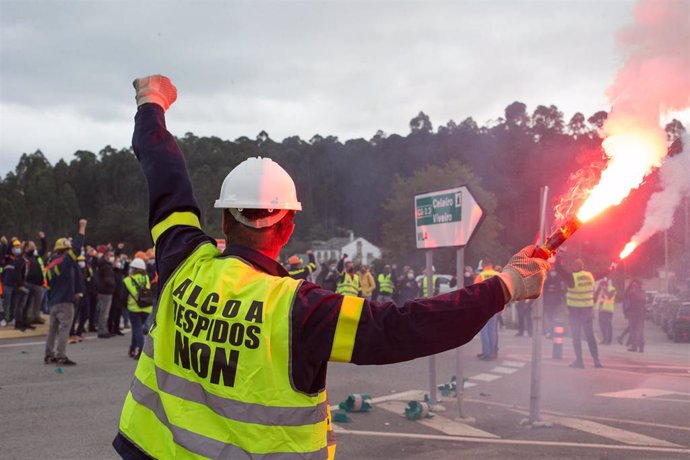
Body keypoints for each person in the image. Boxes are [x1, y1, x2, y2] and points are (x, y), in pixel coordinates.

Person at [112, 75, 549, 459]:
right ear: (288, 226)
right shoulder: (299, 310)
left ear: (224, 219)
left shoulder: (182, 259)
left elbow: (164, 174)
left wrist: (151, 104)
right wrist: (504, 286)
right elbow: (405, 327)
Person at [44, 219, 87, 366]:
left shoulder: (50, 264)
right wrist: (82, 228)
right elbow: (76, 249)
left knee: (52, 330)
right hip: (65, 301)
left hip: (54, 301)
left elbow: (48, 285)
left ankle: (49, 355)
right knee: (64, 330)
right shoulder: (65, 261)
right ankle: (61, 356)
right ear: (65, 250)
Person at [561, 258, 603, 368]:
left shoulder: (572, 278)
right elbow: (602, 274)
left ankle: (579, 361)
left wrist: (558, 257)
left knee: (576, 335)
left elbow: (560, 270)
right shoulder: (590, 276)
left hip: (575, 310)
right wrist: (612, 267)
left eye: (573, 266)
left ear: (576, 267)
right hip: (587, 310)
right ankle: (596, 360)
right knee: (590, 335)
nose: (571, 267)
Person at [123, 258, 153, 359]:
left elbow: (123, 296)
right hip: (147, 308)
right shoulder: (146, 278)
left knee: (137, 330)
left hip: (134, 308)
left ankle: (141, 351)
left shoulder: (127, 280)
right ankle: (132, 348)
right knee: (137, 330)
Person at [475, 259, 500, 360]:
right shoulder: (498, 275)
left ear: (484, 265)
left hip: (484, 306)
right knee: (492, 330)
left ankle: (486, 352)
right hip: (495, 305)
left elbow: (475, 292)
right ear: (491, 265)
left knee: (484, 331)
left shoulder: (481, 275)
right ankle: (493, 352)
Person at [23, 232, 47, 325]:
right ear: (26, 247)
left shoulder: (36, 256)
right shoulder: (25, 256)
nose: (34, 247)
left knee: (37, 302)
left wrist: (43, 239)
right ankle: (26, 318)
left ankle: (35, 317)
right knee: (27, 302)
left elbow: (44, 249)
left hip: (38, 283)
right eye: (31, 245)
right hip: (28, 282)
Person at [96, 250, 116, 338]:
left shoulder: (103, 265)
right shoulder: (106, 267)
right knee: (104, 312)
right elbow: (108, 279)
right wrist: (114, 284)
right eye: (110, 255)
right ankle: (102, 330)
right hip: (106, 291)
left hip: (103, 290)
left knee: (103, 312)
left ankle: (103, 329)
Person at [624, 279, 646, 352]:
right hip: (636, 314)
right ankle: (637, 347)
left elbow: (627, 304)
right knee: (636, 331)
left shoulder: (633, 293)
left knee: (637, 331)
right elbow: (626, 303)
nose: (634, 287)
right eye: (633, 286)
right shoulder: (639, 293)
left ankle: (638, 346)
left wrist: (626, 312)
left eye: (635, 286)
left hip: (636, 314)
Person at [595, 278, 616, 345]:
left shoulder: (612, 289)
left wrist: (604, 289)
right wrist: (598, 289)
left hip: (608, 310)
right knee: (602, 325)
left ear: (605, 284)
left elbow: (609, 296)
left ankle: (608, 340)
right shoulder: (601, 290)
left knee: (608, 325)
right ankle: (604, 338)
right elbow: (596, 298)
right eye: (600, 285)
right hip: (601, 310)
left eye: (602, 285)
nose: (601, 286)